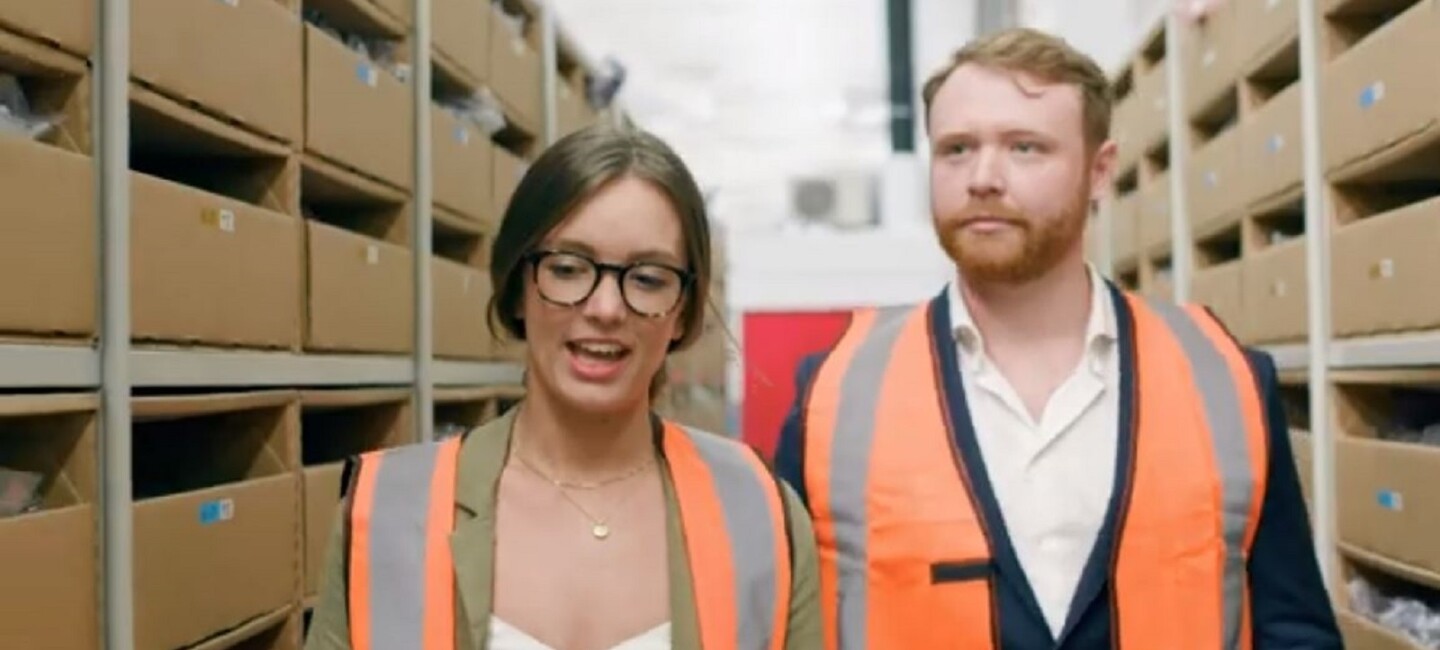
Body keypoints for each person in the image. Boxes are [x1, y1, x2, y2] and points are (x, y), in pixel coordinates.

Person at [771, 27, 1342, 649]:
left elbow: (1294, 631)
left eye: (1025, 148)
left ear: (1100, 172)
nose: (983, 177)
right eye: (957, 149)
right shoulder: (837, 395)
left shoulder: (1223, 378)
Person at [306, 123, 821, 650]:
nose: (605, 308)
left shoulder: (760, 512)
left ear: (683, 310)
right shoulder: (388, 509)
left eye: (647, 278)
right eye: (569, 268)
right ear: (516, 288)